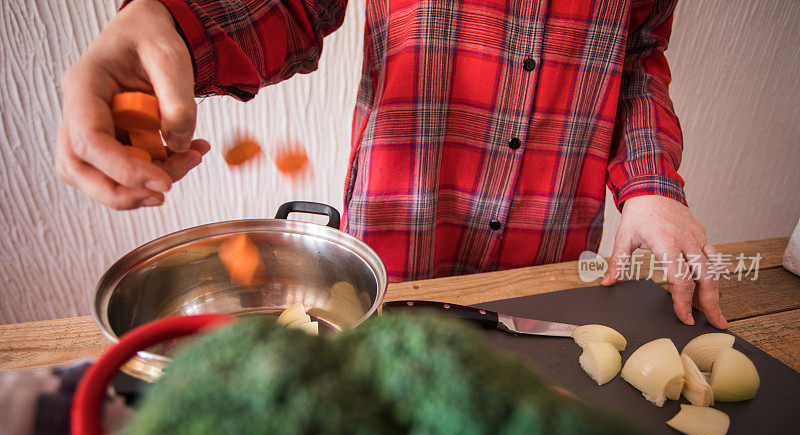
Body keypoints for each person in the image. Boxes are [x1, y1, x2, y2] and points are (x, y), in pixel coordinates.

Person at [56, 0, 728, 329]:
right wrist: (170, 25)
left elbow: (638, 52)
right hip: (399, 251)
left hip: (546, 265)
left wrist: (650, 184)